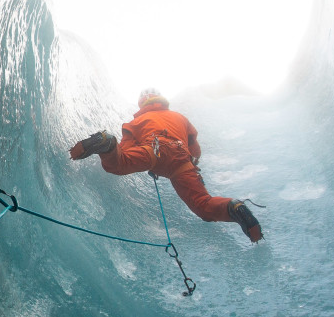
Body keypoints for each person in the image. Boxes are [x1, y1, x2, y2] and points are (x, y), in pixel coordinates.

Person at [69, 88, 263, 242]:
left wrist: (122, 154)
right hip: (182, 162)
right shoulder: (180, 117)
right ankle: (235, 207)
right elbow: (195, 149)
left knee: (117, 164)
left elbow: (125, 153)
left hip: (153, 151)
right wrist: (192, 163)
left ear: (142, 103)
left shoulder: (137, 121)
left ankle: (107, 143)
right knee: (203, 206)